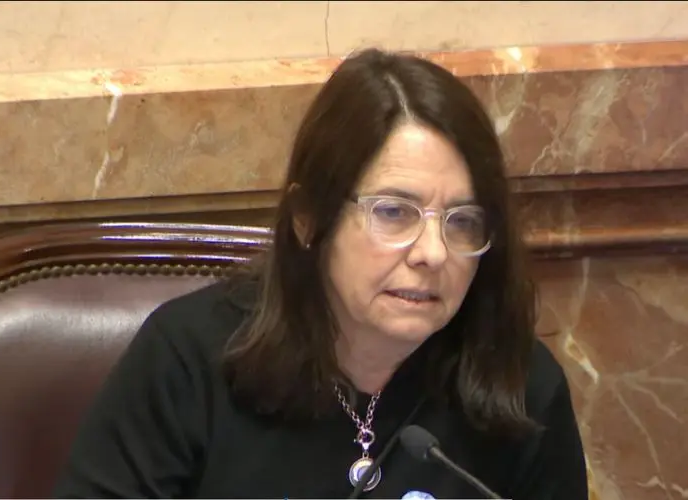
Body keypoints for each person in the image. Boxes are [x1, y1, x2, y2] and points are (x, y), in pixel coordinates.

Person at [54, 48, 588, 499]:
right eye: (394, 212)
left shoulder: (521, 385)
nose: (432, 252)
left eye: (463, 221)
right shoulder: (186, 362)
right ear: (309, 219)